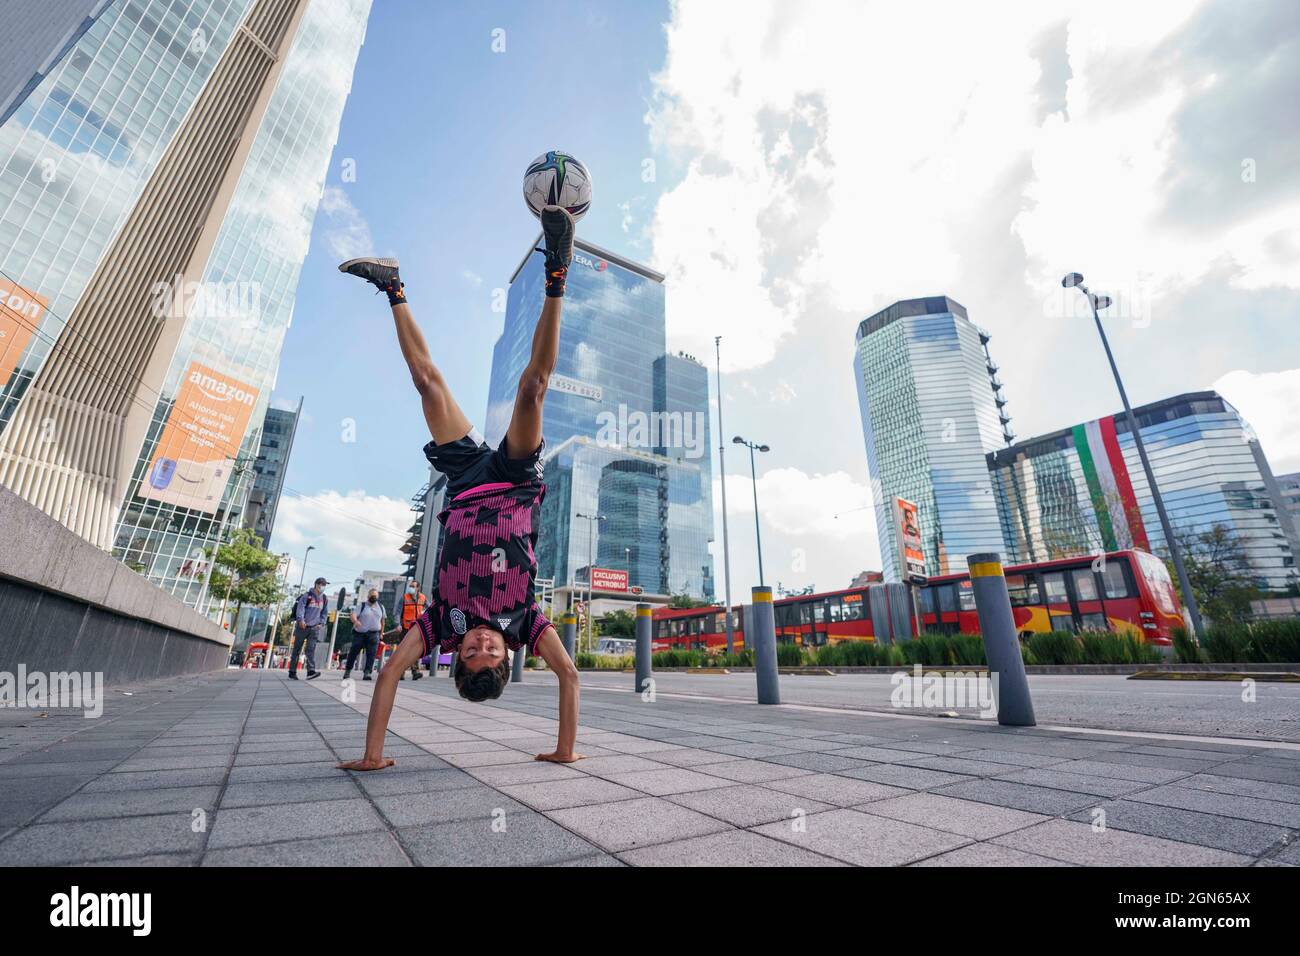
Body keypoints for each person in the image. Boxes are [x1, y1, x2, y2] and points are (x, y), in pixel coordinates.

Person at [335, 205, 582, 771]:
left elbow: (392, 670)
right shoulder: (526, 623)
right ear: (504, 657)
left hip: (469, 482)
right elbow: (568, 674)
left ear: (455, 656)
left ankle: (393, 285)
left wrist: (373, 756)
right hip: (517, 484)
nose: (478, 643)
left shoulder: (440, 624)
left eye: (468, 652)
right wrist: (565, 749)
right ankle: (558, 269)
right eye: (486, 652)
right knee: (532, 391)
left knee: (426, 384)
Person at [289, 577, 328, 680]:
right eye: (321, 584)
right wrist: (301, 620)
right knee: (297, 649)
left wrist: (322, 623)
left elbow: (324, 613)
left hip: (314, 628)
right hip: (303, 627)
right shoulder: (307, 596)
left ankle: (311, 671)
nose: (322, 586)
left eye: (324, 585)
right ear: (316, 584)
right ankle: (292, 672)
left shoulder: (324, 598)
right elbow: (300, 609)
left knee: (310, 649)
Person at [343, 588, 386, 680]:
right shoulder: (362, 605)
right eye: (372, 595)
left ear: (377, 596)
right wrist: (355, 621)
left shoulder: (381, 607)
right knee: (354, 652)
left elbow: (383, 621)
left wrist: (381, 633)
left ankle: (367, 673)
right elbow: (353, 615)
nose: (373, 597)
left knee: (371, 654)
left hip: (374, 634)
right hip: (360, 634)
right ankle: (348, 671)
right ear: (368, 596)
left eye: (375, 595)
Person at [398, 581, 427, 680]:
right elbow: (397, 612)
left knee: (414, 650)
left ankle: (415, 672)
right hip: (405, 628)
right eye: (410, 586)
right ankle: (401, 673)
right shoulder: (404, 597)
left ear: (417, 588)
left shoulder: (423, 598)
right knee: (404, 651)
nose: (410, 588)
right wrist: (398, 624)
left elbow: (430, 609)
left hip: (417, 628)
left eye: (412, 586)